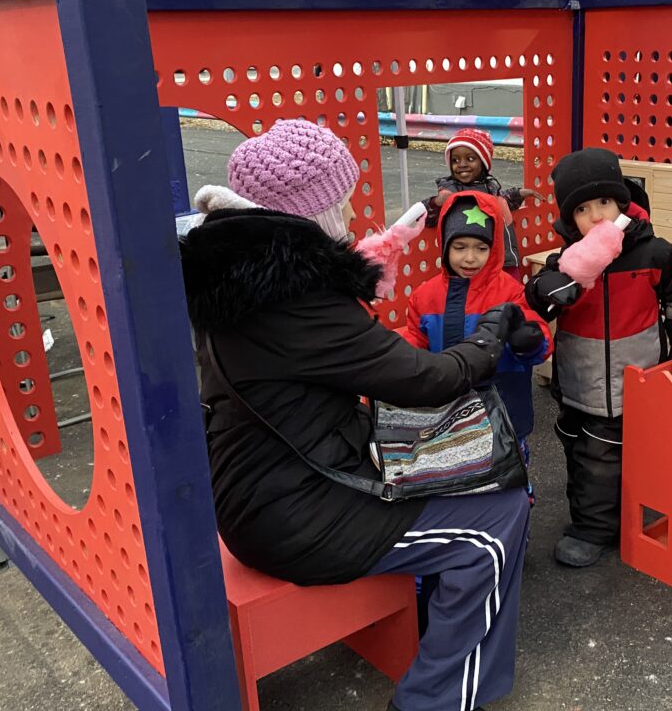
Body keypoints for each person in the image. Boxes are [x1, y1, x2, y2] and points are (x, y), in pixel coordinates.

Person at [179, 119, 528, 711]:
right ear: (309, 210)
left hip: (262, 481)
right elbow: (427, 378)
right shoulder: (295, 298)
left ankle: (431, 624)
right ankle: (435, 700)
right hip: (290, 515)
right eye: (339, 201)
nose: (345, 214)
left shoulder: (235, 275)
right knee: (494, 522)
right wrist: (489, 339)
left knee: (453, 464)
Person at [525, 147, 672, 568]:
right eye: (583, 209)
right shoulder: (566, 263)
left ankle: (594, 530)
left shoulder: (653, 254)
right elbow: (534, 302)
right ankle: (601, 514)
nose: (597, 217)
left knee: (601, 459)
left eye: (604, 202)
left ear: (622, 202)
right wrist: (547, 288)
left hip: (633, 382)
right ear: (570, 220)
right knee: (577, 448)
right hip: (576, 381)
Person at [404, 190, 553, 499]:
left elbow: (536, 334)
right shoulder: (425, 295)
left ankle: (516, 524)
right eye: (459, 247)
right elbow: (414, 339)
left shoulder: (509, 291)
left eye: (480, 248)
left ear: (494, 247)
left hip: (504, 409)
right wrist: (399, 359)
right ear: (445, 245)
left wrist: (530, 340)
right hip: (447, 410)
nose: (469, 258)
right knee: (456, 477)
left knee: (510, 475)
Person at [424, 127, 538, 278]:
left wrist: (518, 194)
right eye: (455, 160)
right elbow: (426, 216)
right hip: (475, 266)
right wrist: (437, 202)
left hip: (506, 260)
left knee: (510, 296)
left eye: (470, 159)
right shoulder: (452, 192)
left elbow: (500, 202)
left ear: (483, 163)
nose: (462, 164)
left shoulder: (490, 187)